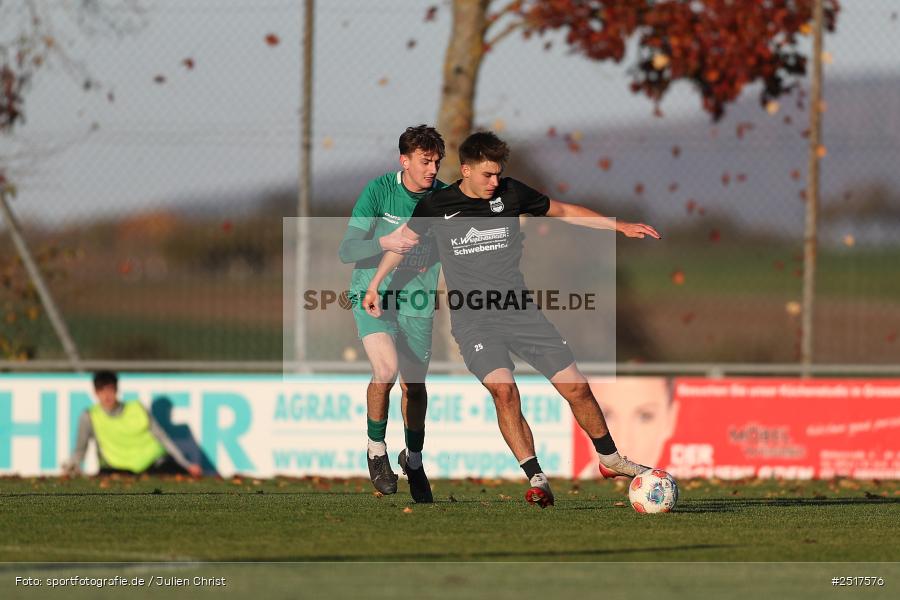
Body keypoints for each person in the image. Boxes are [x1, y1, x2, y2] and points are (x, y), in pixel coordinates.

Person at [364, 131, 661, 508]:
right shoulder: (437, 205)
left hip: (522, 313)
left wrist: (618, 226)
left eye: (498, 174)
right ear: (466, 170)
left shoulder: (512, 193)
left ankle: (609, 458)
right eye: (487, 175)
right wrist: (375, 284)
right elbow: (402, 241)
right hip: (474, 322)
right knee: (505, 391)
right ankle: (536, 477)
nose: (494, 182)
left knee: (577, 389)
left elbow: (565, 211)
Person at [338, 125, 445, 503]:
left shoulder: (443, 198)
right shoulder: (379, 191)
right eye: (424, 161)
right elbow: (347, 250)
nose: (432, 169)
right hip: (373, 295)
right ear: (405, 160)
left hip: (417, 302)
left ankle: (413, 459)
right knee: (385, 370)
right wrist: (385, 240)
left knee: (413, 387)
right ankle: (376, 450)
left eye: (436, 162)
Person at [62, 371, 202, 477]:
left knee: (178, 477)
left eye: (110, 390)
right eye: (101, 391)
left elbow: (163, 438)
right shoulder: (89, 416)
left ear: (117, 389)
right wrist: (70, 467)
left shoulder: (137, 408)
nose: (106, 396)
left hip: (153, 463)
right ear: (95, 393)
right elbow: (80, 449)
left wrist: (187, 465)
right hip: (117, 468)